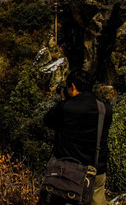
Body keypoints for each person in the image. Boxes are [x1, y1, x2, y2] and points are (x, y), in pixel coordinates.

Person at [43, 70, 113, 205]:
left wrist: (63, 101)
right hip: (96, 170)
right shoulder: (105, 109)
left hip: (68, 173)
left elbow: (48, 121)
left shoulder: (65, 108)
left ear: (73, 86)